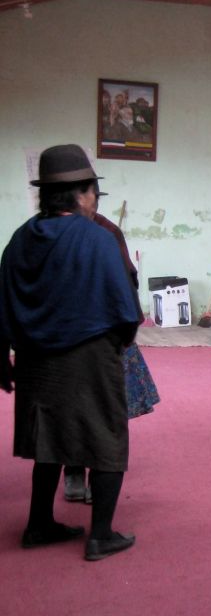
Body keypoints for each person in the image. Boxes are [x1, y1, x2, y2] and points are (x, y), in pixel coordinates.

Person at [0, 144, 144, 561]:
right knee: (106, 437)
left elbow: (3, 301)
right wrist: (119, 343)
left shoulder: (21, 238)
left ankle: (39, 524)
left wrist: (3, 355)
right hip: (88, 357)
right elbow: (126, 309)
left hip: (33, 360)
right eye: (94, 192)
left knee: (49, 440)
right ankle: (101, 534)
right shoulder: (97, 239)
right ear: (82, 194)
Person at [63, 201, 160, 504]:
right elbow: (127, 284)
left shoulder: (46, 230)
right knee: (103, 415)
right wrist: (125, 333)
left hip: (64, 339)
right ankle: (88, 485)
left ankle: (76, 476)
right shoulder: (104, 232)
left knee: (73, 411)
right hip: (101, 337)